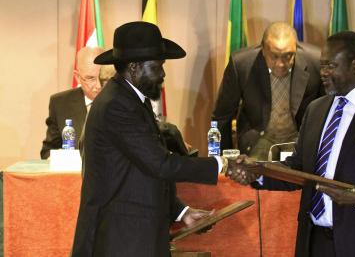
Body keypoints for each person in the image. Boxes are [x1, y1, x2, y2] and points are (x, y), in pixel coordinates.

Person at [229, 31, 355, 257]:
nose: (323, 73)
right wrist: (257, 172)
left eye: (331, 66)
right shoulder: (316, 109)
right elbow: (300, 169)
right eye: (322, 65)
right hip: (317, 242)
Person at [71, 21, 235, 257]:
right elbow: (160, 164)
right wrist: (224, 164)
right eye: (157, 66)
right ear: (135, 67)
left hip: (131, 237)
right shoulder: (117, 105)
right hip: (120, 241)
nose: (163, 73)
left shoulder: (132, 99)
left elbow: (142, 170)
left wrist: (181, 212)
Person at [212, 22, 324, 160]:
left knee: (298, 176)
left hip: (298, 140)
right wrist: (220, 160)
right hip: (258, 138)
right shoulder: (241, 64)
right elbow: (221, 117)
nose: (280, 64)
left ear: (296, 48)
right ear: (263, 50)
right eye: (274, 56)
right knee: (253, 174)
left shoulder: (316, 61)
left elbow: (327, 111)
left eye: (288, 56)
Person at [40, 47, 105, 159]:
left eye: (102, 77)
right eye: (90, 78)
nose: (98, 85)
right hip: (74, 174)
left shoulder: (124, 101)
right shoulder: (60, 104)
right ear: (78, 77)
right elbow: (47, 152)